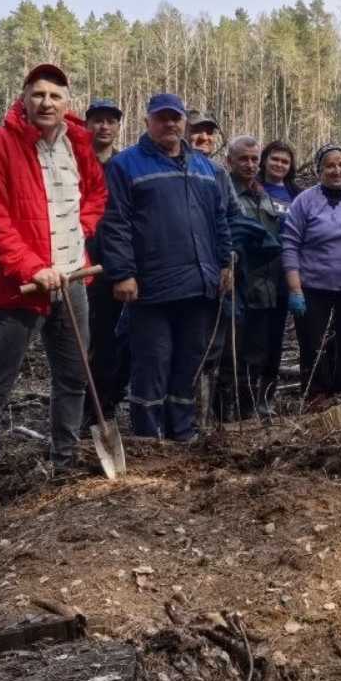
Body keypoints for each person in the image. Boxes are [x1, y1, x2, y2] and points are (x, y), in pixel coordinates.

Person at [0, 63, 108, 501]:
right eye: (38, 94)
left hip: (73, 280)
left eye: (55, 96)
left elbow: (95, 193)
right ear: (23, 98)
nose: (46, 103)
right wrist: (31, 267)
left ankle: (64, 464)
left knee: (73, 378)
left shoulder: (78, 143)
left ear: (66, 103)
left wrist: (80, 230)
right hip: (18, 290)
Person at [99, 93, 233, 444]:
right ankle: (148, 436)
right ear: (148, 123)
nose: (170, 124)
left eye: (175, 118)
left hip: (200, 284)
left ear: (184, 122)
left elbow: (219, 218)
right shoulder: (126, 165)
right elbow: (114, 223)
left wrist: (225, 262)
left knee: (188, 362)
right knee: (152, 362)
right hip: (151, 288)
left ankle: (181, 431)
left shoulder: (205, 168)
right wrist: (123, 273)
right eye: (162, 118)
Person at [282, 144, 341, 395]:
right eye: (330, 166)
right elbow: (290, 245)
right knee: (314, 347)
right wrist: (295, 289)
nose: (337, 170)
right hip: (313, 290)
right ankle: (315, 397)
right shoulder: (304, 201)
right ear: (318, 171)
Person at [218, 134, 289, 419]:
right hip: (235, 287)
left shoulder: (264, 195)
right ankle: (224, 414)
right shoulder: (224, 193)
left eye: (253, 159)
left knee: (257, 353)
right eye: (243, 159)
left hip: (266, 288)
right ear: (229, 161)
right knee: (229, 354)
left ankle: (249, 411)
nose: (249, 164)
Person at [82, 99, 131, 425]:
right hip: (80, 263)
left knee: (114, 339)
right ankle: (84, 406)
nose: (104, 127)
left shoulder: (124, 165)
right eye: (97, 120)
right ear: (87, 125)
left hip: (116, 265)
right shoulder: (75, 162)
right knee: (83, 340)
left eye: (110, 121)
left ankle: (106, 401)